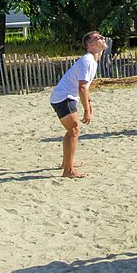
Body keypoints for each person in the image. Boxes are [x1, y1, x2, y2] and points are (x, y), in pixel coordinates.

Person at [51, 31, 108, 178]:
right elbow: (82, 87)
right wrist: (86, 110)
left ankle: (66, 163)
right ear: (91, 45)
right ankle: (68, 171)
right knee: (74, 131)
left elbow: (85, 88)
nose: (102, 38)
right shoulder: (88, 60)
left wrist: (88, 102)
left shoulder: (92, 60)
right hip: (64, 98)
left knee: (72, 130)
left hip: (64, 97)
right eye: (98, 38)